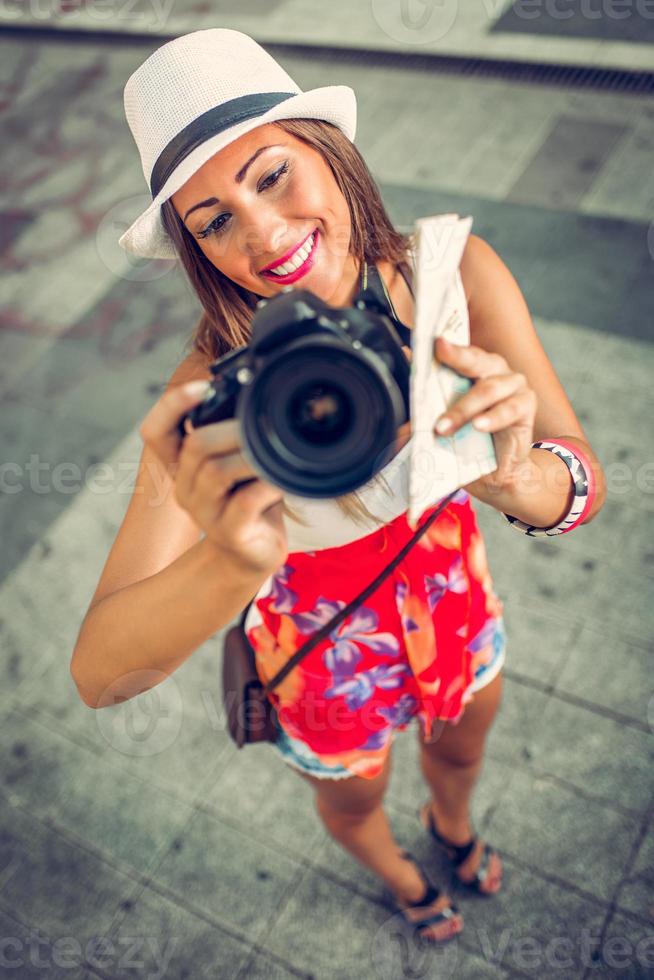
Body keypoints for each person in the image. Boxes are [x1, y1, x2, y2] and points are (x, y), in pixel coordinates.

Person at [70, 29, 606, 944]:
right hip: (321, 663)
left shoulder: (457, 280)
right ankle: (401, 877)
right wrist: (230, 563)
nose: (263, 234)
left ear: (332, 151)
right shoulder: (207, 392)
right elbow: (102, 674)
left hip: (455, 611)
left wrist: (516, 476)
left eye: (271, 175)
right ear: (195, 249)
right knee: (356, 805)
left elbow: (581, 484)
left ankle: (452, 826)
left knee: (463, 749)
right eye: (213, 221)